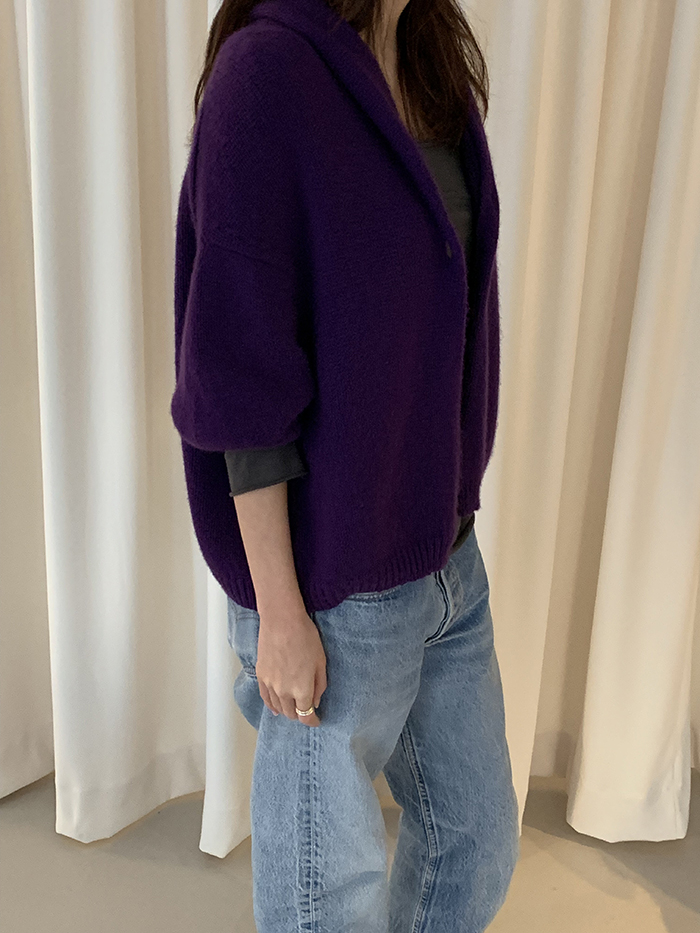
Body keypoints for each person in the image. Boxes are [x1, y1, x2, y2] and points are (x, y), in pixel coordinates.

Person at [170, 0, 520, 929]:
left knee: (478, 840)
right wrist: (280, 611)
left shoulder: (432, 67)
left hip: (447, 563)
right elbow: (236, 382)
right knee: (324, 902)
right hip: (329, 588)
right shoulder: (265, 78)